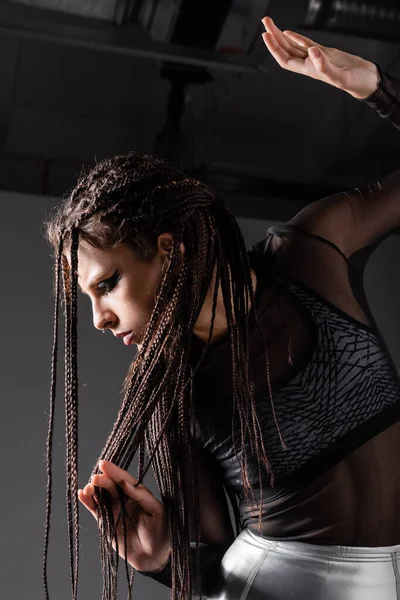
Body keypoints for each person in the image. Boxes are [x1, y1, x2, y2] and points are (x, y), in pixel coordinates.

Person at [43, 16, 400, 600]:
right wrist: (159, 558)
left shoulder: (312, 253)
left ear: (168, 253)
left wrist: (373, 86)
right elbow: (207, 570)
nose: (99, 319)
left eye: (106, 284)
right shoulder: (174, 389)